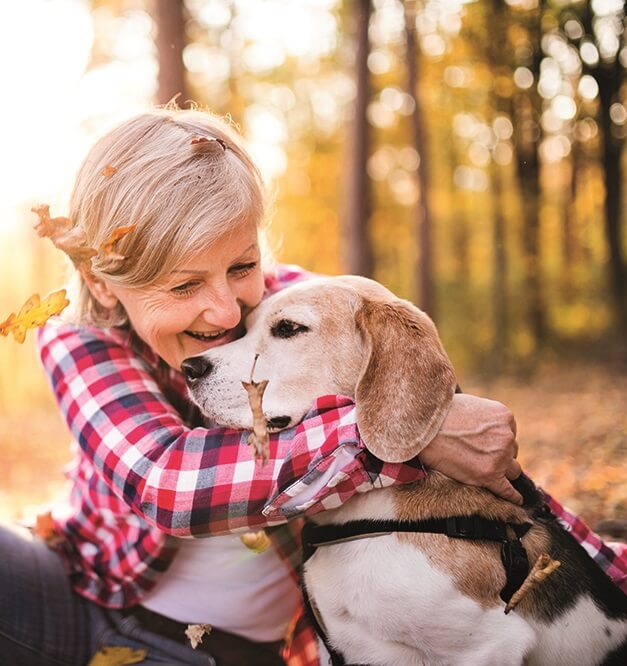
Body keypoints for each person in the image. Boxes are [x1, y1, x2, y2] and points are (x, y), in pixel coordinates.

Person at [0, 108, 624, 666]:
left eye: (242, 266)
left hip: (253, 649)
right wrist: (382, 435)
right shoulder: (81, 336)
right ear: (106, 284)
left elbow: (455, 449)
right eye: (183, 286)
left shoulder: (302, 311)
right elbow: (167, 482)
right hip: (93, 604)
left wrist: (607, 569)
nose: (224, 311)